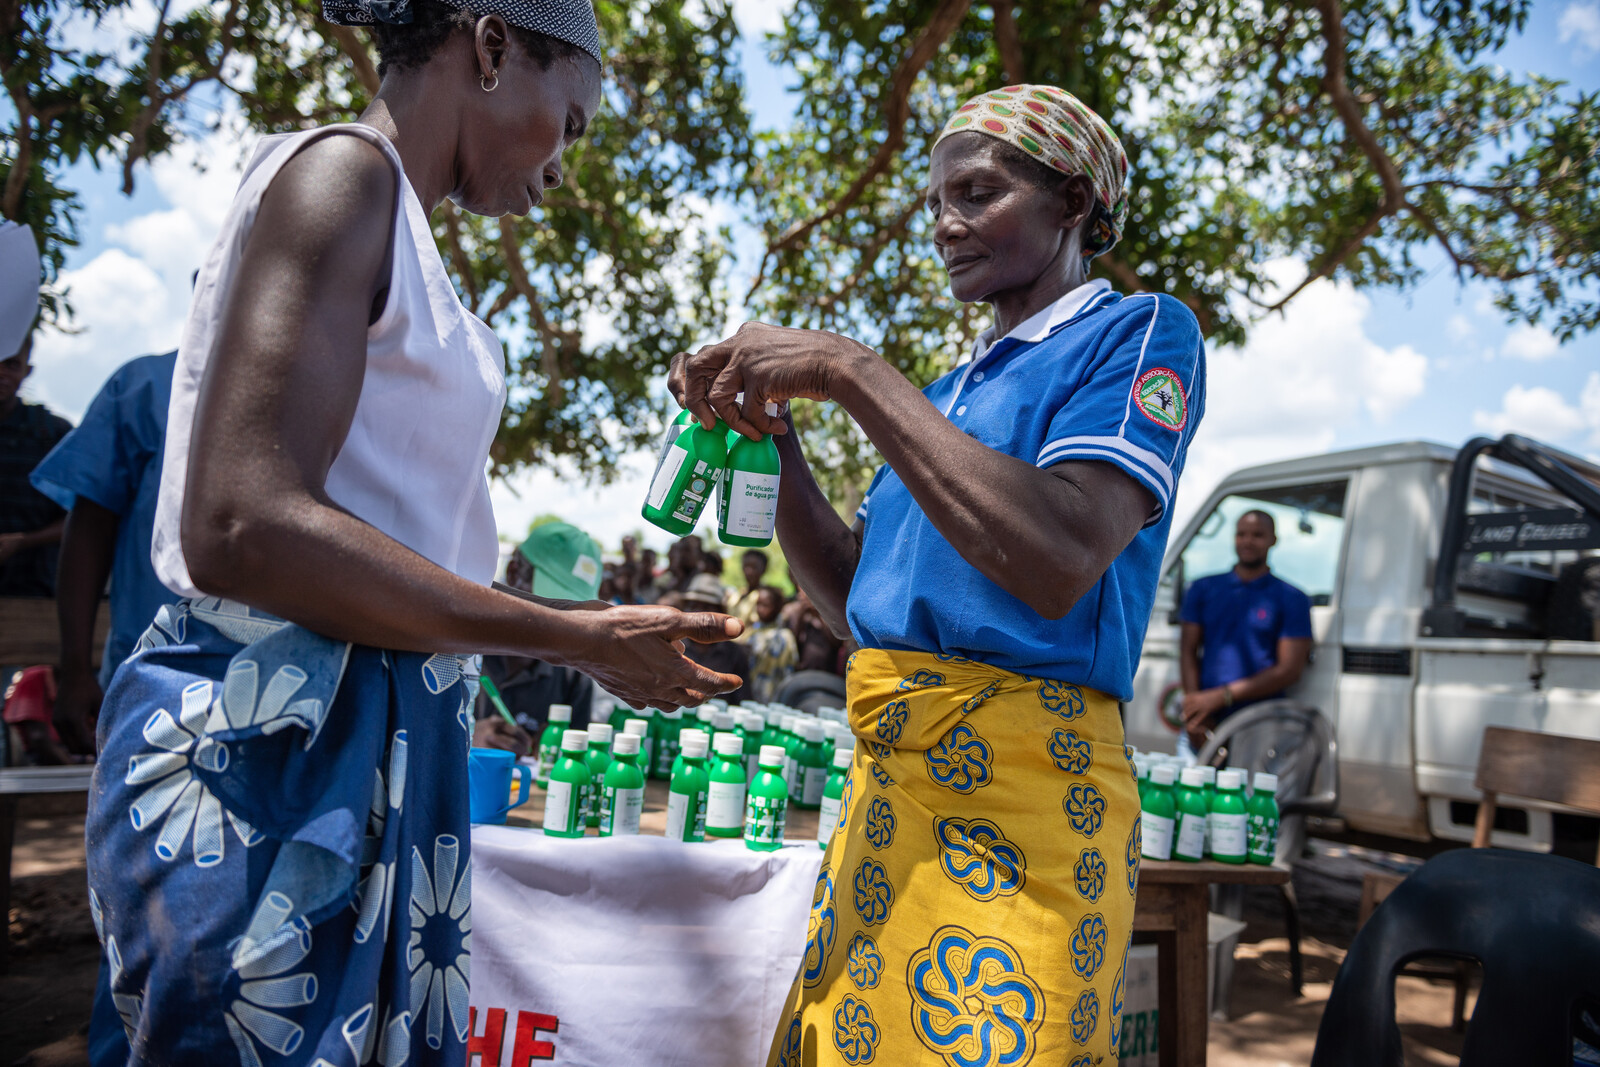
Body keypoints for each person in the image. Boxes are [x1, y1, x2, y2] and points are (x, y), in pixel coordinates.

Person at [83, 3, 742, 1062]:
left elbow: (391, 540)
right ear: (489, 49)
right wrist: (564, 635)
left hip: (370, 741)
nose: (566, 166)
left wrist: (595, 629)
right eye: (569, 124)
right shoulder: (343, 176)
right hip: (277, 754)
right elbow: (243, 521)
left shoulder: (402, 226)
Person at [672, 84, 1204, 1066]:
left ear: (1073, 202)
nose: (946, 225)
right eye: (936, 205)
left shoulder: (1137, 334)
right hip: (890, 801)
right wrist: (776, 438)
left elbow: (1060, 555)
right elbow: (847, 592)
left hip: (1030, 806)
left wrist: (849, 370)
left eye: (976, 193)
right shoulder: (948, 395)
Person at [29, 350, 180, 755]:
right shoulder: (145, 386)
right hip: (154, 681)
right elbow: (90, 526)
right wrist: (75, 667)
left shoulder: (341, 383)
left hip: (299, 683)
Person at [1178, 510, 1313, 749]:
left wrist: (1221, 697)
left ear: (1273, 540)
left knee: (1250, 788)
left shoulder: (1293, 598)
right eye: (1241, 534)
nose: (1247, 541)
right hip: (1204, 721)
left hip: (1260, 724)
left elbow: (1290, 670)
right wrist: (1195, 710)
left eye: (1257, 535)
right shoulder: (1202, 588)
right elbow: (1188, 650)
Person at [472, 522, 599, 745]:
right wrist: (467, 736)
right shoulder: (459, 647)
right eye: (552, 601)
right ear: (513, 572)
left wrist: (560, 747)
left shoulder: (574, 674)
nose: (561, 619)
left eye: (575, 610)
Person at [0, 333, 71, 596]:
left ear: (27, 370)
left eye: (11, 364)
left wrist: (24, 541)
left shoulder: (53, 434)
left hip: (36, 595)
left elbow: (84, 516)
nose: (2, 373)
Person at [681, 573, 750, 704]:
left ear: (720, 612)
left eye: (706, 607)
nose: (699, 614)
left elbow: (743, 700)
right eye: (694, 605)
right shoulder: (674, 646)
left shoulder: (735, 653)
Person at [745, 586, 797, 702]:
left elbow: (789, 669)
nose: (760, 609)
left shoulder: (785, 636)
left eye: (765, 605)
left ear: (777, 607)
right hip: (750, 692)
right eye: (758, 604)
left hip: (774, 695)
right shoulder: (751, 632)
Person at [784, 588, 842, 674]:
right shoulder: (794, 612)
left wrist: (817, 613)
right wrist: (801, 612)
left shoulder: (829, 613)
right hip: (801, 672)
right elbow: (791, 641)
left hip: (826, 672)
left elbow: (837, 642)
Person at [724, 547, 769, 629]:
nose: (749, 571)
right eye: (746, 566)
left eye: (754, 567)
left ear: (764, 569)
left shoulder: (765, 597)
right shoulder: (737, 594)